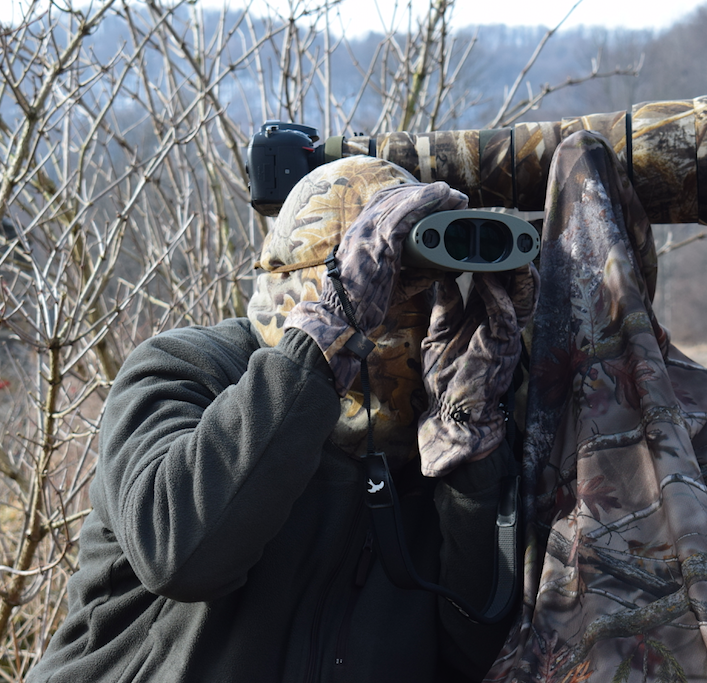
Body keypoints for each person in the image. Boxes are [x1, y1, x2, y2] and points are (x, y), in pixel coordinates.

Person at [27, 156, 537, 683]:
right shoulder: (184, 369)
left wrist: (468, 443)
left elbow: (476, 652)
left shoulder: (434, 427)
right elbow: (180, 556)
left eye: (422, 289)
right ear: (311, 280)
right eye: (382, 282)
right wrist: (322, 343)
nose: (398, 310)